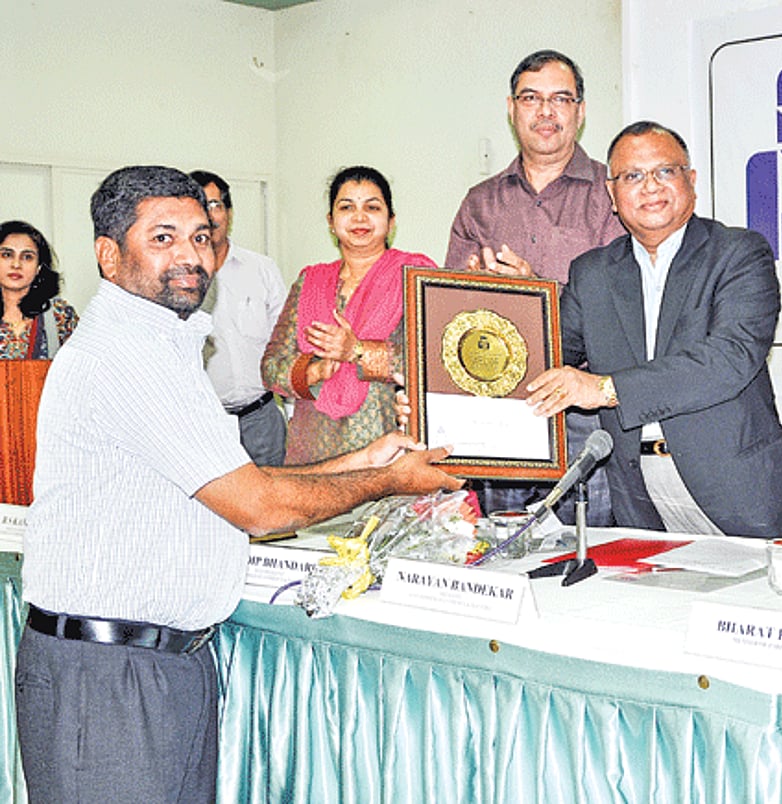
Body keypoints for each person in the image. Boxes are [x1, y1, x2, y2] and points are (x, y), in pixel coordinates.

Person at [15, 165, 462, 803]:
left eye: (200, 236)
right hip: (110, 680)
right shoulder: (127, 355)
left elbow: (238, 480)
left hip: (159, 668)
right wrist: (386, 480)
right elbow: (256, 506)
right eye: (163, 238)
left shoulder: (164, 345)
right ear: (108, 256)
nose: (191, 256)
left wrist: (368, 458)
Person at [526, 122, 782, 538]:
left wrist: (604, 388)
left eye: (664, 172)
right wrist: (511, 306)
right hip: (640, 499)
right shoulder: (591, 273)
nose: (650, 187)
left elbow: (728, 360)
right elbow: (540, 359)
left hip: (741, 493)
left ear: (691, 182)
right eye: (632, 176)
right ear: (612, 196)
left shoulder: (739, 253)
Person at [445, 49, 626, 524]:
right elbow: (448, 313)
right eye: (531, 98)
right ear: (512, 108)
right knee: (506, 561)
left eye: (560, 99)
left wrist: (536, 296)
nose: (546, 112)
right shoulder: (479, 203)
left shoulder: (613, 194)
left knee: (592, 562)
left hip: (584, 417)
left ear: (580, 112)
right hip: (500, 414)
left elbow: (624, 312)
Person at [262, 165, 437, 465]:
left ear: (391, 221)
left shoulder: (415, 277)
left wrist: (356, 350)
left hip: (390, 448)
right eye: (346, 207)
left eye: (372, 207)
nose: (359, 217)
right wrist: (312, 372)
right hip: (314, 452)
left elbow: (433, 362)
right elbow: (271, 367)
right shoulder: (310, 281)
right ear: (331, 222)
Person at [189, 170, 289, 466]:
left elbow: (285, 343)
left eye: (215, 205)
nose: (208, 216)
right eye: (198, 206)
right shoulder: (175, 280)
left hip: (262, 420)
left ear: (229, 213)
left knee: (274, 507)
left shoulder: (261, 268)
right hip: (205, 425)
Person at [0, 220, 77, 359]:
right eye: (7, 255)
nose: (16, 264)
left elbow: (81, 370)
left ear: (39, 268)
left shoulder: (60, 315)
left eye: (27, 257)